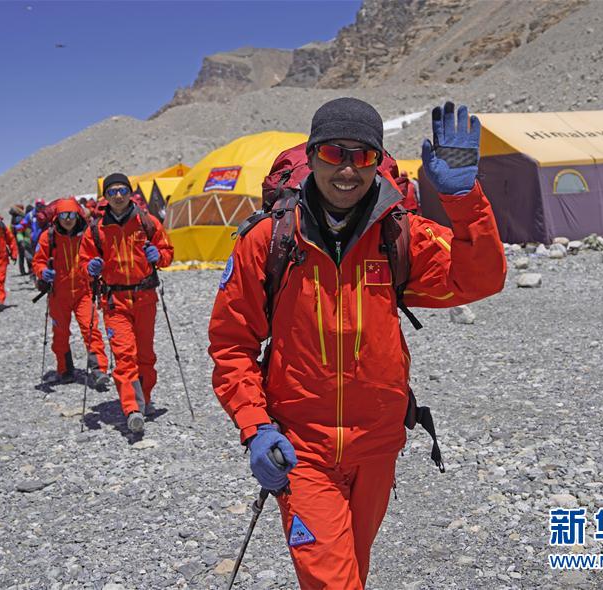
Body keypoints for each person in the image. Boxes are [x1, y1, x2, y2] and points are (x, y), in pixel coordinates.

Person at [208, 98, 507, 589]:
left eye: (362, 156)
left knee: (353, 566)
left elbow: (482, 278)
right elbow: (231, 345)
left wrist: (463, 199)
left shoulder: (399, 235)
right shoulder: (269, 240)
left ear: (377, 161)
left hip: (378, 447)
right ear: (312, 154)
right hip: (301, 451)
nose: (347, 169)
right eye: (333, 153)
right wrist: (255, 427)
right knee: (333, 580)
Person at [80, 173, 174, 434]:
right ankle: (132, 409)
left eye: (122, 190)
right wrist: (90, 267)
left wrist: (159, 256)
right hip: (115, 301)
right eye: (112, 192)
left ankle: (144, 399)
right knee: (124, 356)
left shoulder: (147, 222)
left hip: (145, 298)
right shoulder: (96, 229)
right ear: (105, 197)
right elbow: (83, 263)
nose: (118, 196)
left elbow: (168, 253)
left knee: (146, 356)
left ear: (130, 193)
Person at [32, 198, 110, 388]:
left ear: (78, 215)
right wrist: (43, 272)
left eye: (72, 215)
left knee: (91, 329)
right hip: (58, 295)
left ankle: (99, 369)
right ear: (57, 217)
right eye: (64, 215)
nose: (68, 219)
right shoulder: (48, 237)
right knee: (60, 334)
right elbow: (38, 261)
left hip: (83, 292)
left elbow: (98, 254)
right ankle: (65, 369)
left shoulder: (87, 235)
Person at [9, 204, 31, 276]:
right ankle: (28, 269)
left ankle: (22, 270)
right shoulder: (19, 217)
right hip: (21, 237)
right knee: (25, 253)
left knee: (21, 254)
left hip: (17, 237)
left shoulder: (14, 217)